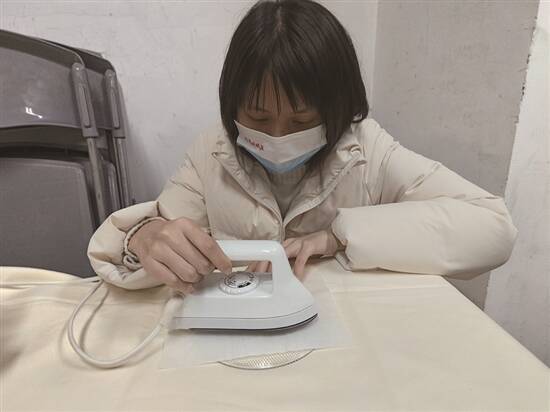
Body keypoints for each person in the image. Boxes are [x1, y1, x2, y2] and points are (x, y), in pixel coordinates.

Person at [87, 0, 517, 294]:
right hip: (241, 346)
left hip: (347, 341)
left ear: (338, 108)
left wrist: (337, 237)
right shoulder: (212, 152)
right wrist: (144, 237)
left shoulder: (366, 150)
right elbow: (155, 239)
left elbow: (492, 228)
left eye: (302, 121)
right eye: (258, 118)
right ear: (231, 105)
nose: (277, 135)